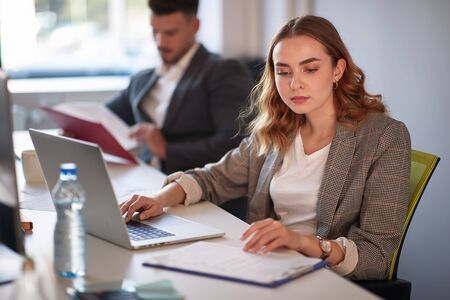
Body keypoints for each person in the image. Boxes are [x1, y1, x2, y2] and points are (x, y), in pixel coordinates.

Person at [119, 15, 411, 280]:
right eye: (283, 72)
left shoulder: (384, 137)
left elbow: (377, 256)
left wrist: (301, 242)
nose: (295, 84)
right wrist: (159, 198)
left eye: (310, 69)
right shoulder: (278, 130)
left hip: (327, 279)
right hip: (269, 266)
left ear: (338, 70)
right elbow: (215, 178)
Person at [107, 0, 253, 174]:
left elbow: (236, 145)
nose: (160, 42)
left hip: (195, 189)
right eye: (155, 31)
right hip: (143, 180)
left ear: (195, 26)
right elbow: (104, 117)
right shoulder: (142, 79)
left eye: (170, 33)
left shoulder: (224, 71)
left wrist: (166, 150)